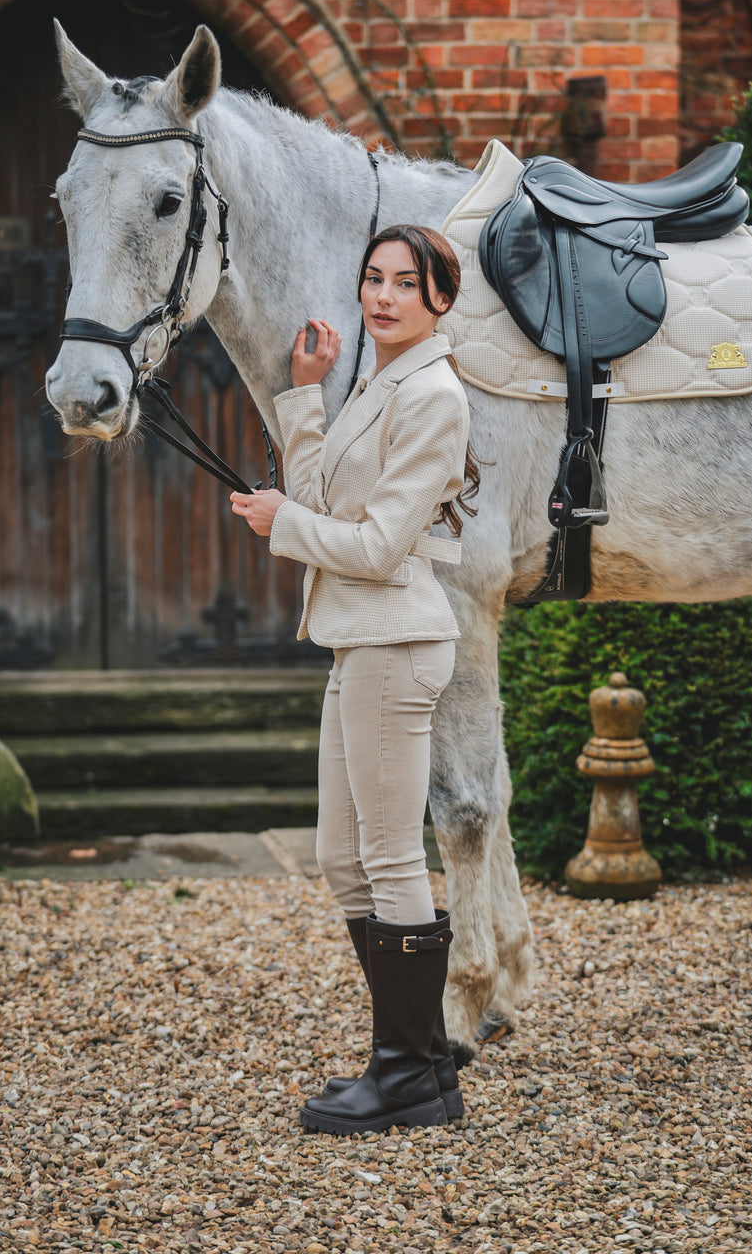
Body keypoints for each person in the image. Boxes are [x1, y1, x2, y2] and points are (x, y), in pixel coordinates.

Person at [230, 223, 479, 1136]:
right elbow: (327, 502)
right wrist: (303, 399)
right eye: (372, 279)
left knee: (389, 858)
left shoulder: (435, 397)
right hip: (357, 640)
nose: (382, 297)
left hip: (395, 640)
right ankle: (410, 1059)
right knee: (344, 861)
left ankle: (411, 1074)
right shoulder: (379, 381)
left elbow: (373, 546)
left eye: (405, 284)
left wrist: (279, 524)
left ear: (440, 300)